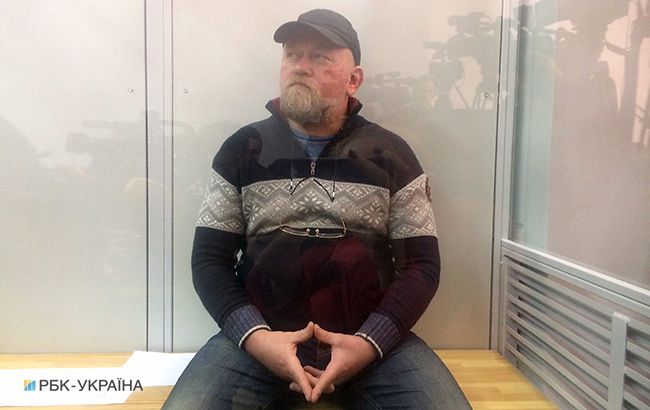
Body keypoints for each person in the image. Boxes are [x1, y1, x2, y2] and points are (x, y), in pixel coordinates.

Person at [163, 9, 471, 409]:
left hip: (373, 348)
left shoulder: (392, 155)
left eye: (320, 57)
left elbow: (421, 266)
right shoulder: (241, 151)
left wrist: (369, 343)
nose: (301, 66)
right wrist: (257, 339)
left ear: (354, 79)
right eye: (292, 54)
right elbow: (209, 261)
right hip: (259, 344)